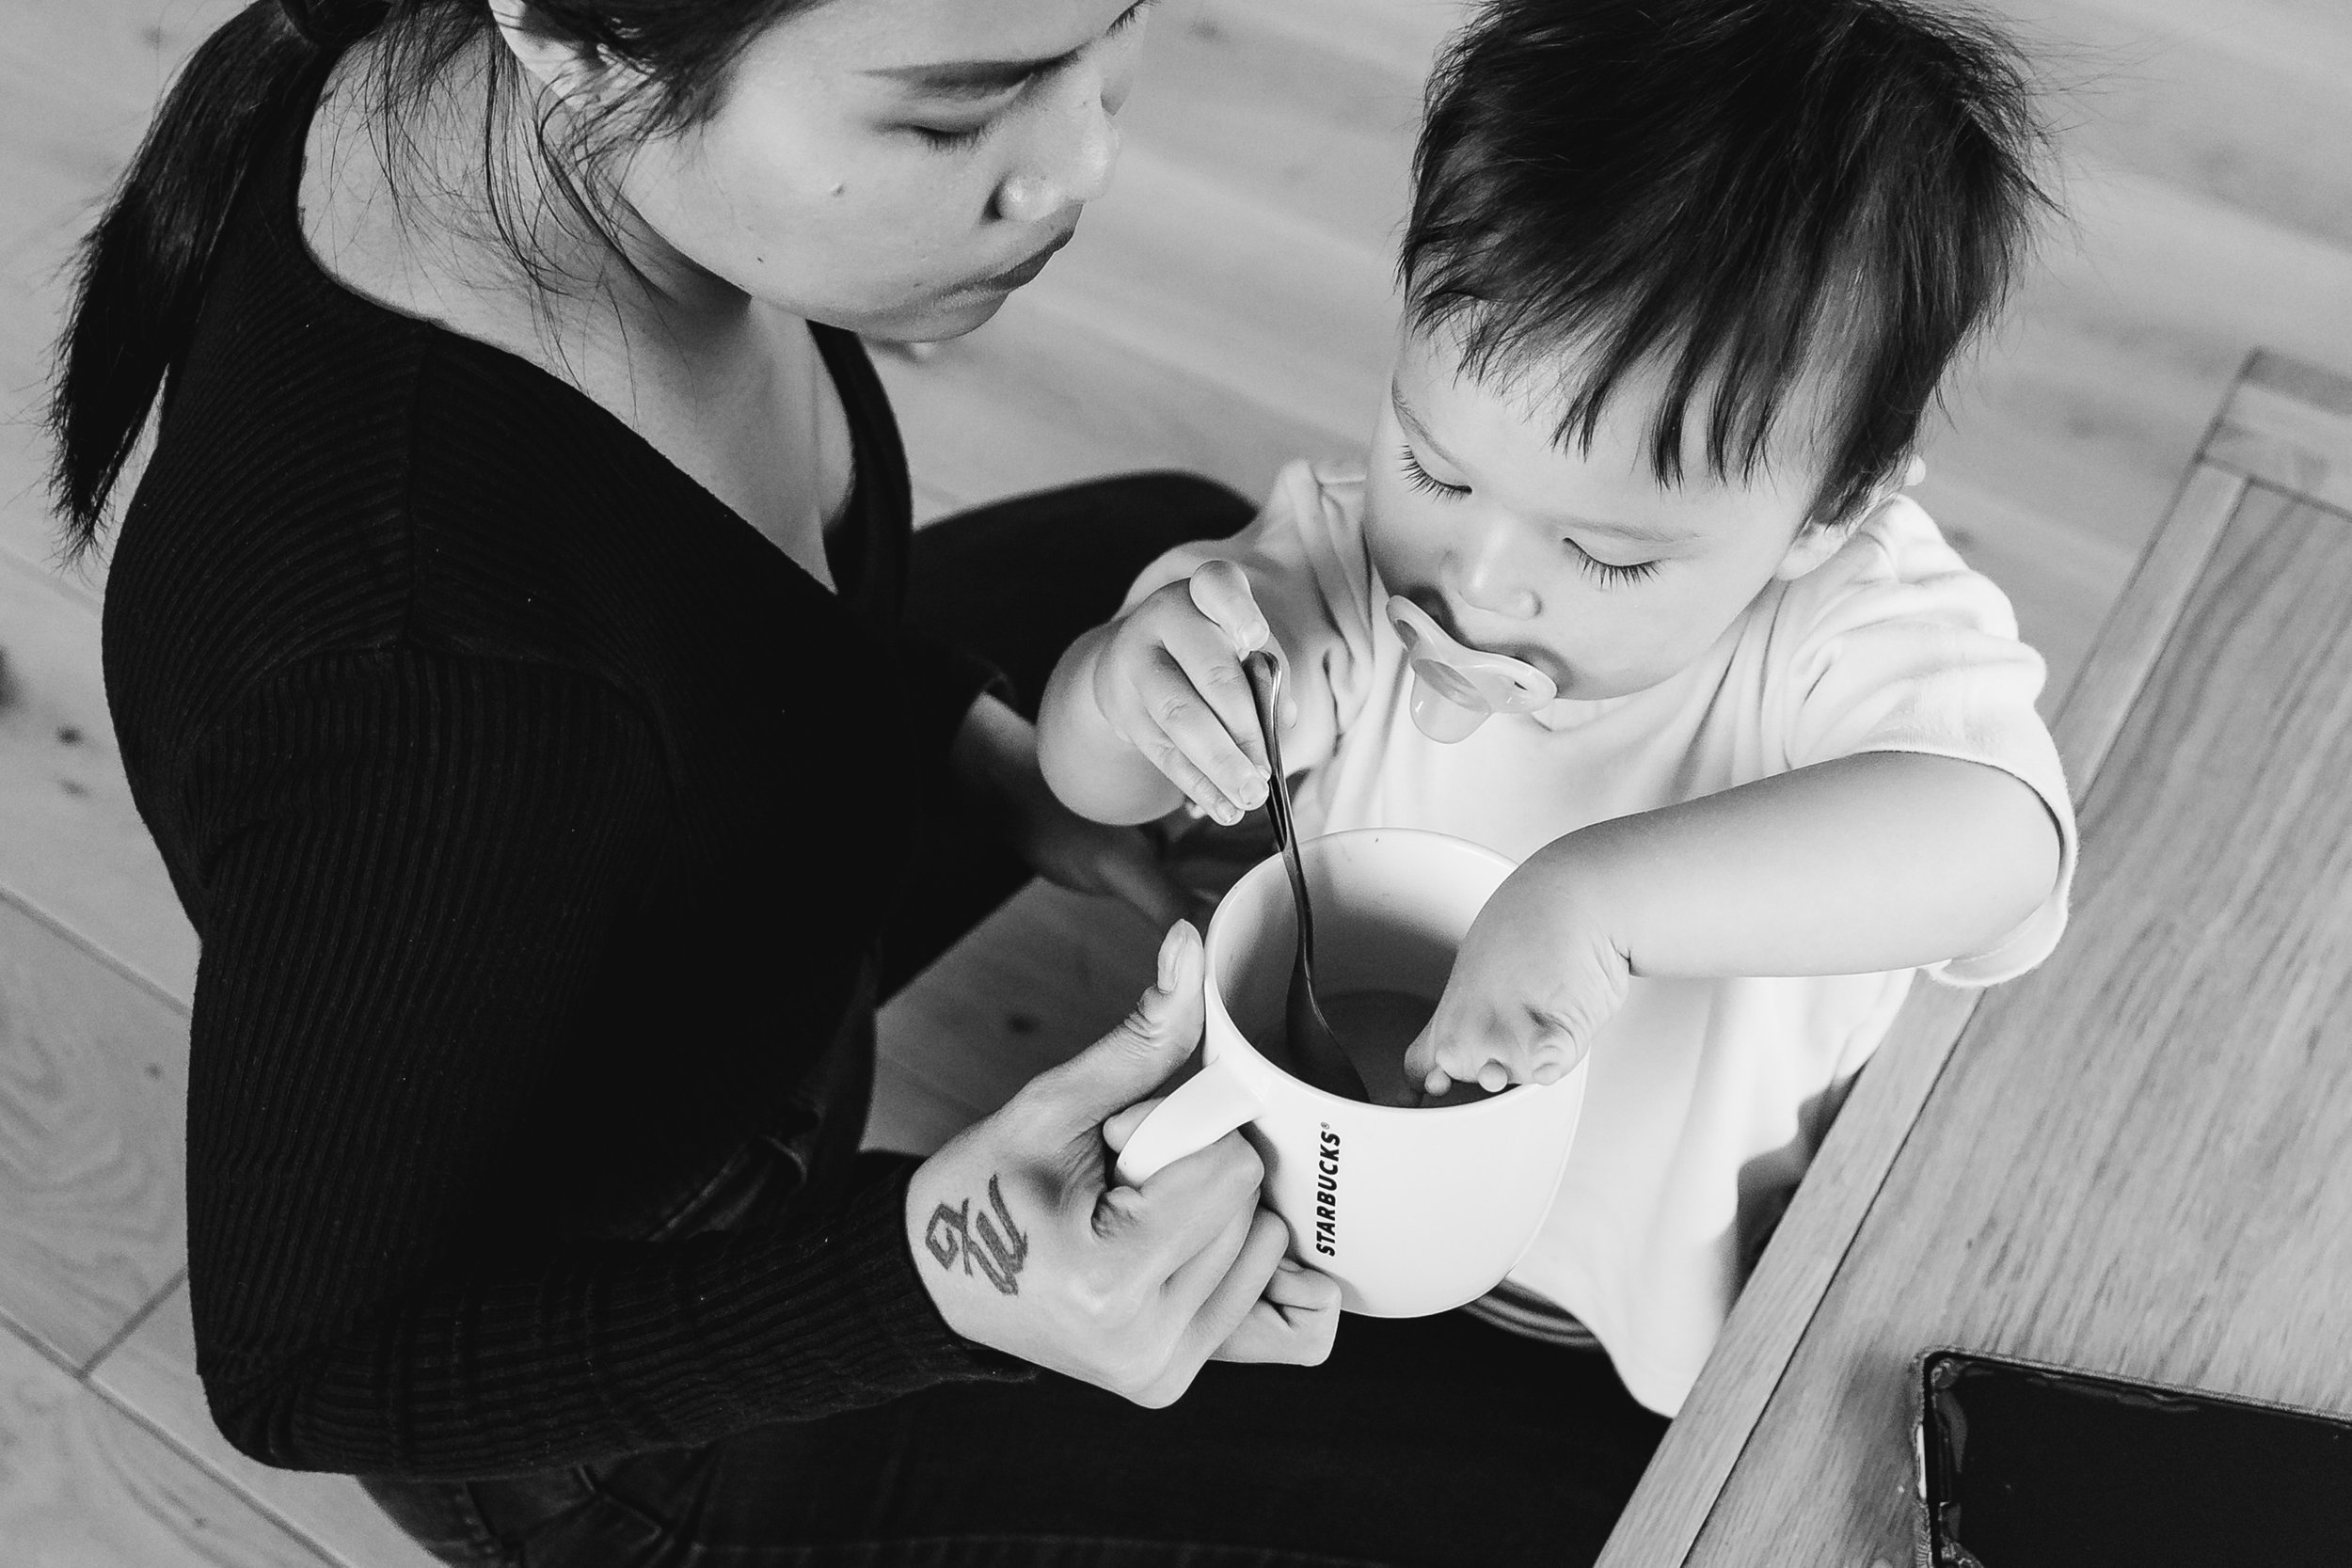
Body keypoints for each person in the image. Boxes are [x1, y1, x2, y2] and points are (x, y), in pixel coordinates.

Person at [47, 0, 1667, 1563]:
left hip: (675, 900)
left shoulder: (524, 119)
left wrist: (1008, 774)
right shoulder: (435, 692)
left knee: (1159, 558)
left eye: (1112, 35)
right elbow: (305, 1371)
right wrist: (936, 1278)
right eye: (960, 107)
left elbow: (740, 616)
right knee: (1613, 1490)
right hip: (617, 1424)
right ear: (566, 27)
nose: (1079, 166)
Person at [1038, 0, 2078, 1416]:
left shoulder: (1850, 625)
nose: (1481, 577)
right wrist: (1129, 691)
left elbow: (2000, 846)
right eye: (1436, 464)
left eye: (1605, 552)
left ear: (1828, 509)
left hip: (1650, 1308)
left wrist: (1598, 903)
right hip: (1324, 1232)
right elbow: (1093, 787)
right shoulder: (1332, 568)